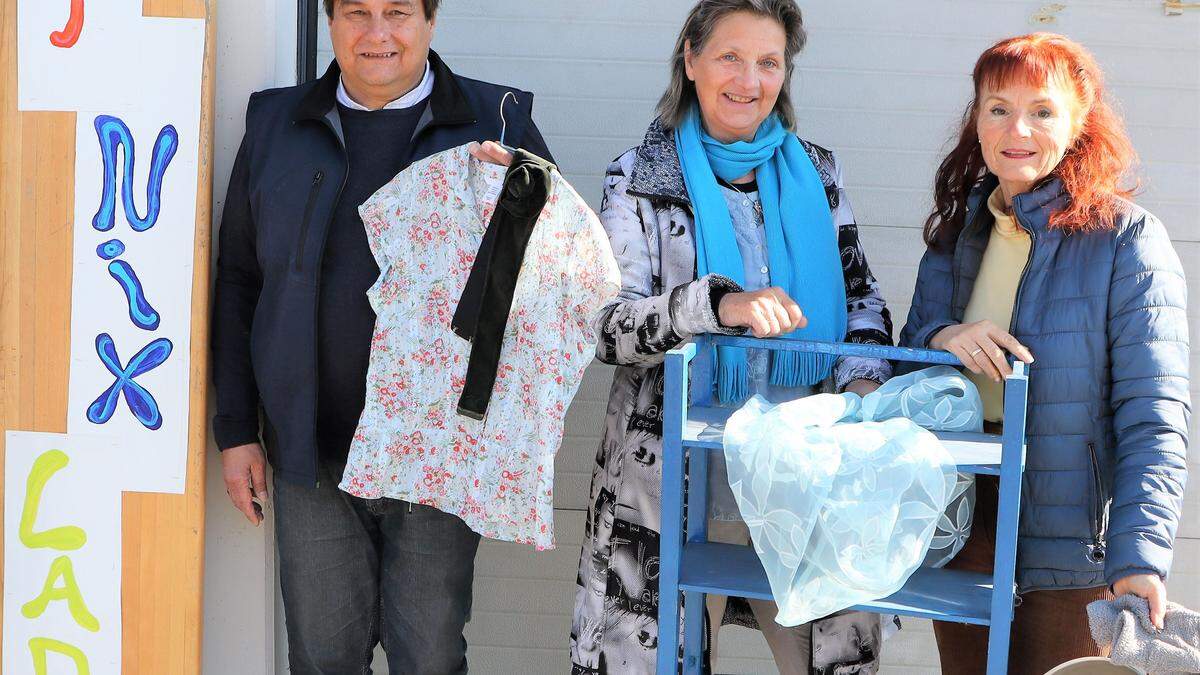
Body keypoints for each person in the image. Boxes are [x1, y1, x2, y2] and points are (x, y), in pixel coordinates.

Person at [210, 0, 550, 672]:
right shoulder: (278, 125)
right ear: (330, 22)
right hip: (314, 455)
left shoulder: (500, 122)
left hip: (438, 463)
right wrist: (236, 429)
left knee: (428, 657)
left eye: (397, 11)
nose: (378, 33)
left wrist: (515, 202)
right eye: (357, 13)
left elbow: (547, 285)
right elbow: (240, 281)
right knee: (321, 656)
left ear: (430, 21)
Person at [569, 1, 895, 673]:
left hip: (804, 478)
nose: (749, 79)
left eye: (768, 62)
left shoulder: (819, 175)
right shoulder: (638, 177)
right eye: (730, 57)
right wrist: (718, 304)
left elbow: (861, 297)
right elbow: (607, 326)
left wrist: (863, 382)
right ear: (690, 60)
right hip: (674, 487)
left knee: (827, 660)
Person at [899, 33, 1190, 675]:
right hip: (961, 532)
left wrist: (1139, 555)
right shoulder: (956, 235)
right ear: (976, 119)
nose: (1016, 128)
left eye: (1042, 110)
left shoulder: (1126, 241)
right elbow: (906, 370)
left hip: (1070, 547)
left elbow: (1155, 417)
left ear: (1079, 121)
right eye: (997, 107)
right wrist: (941, 338)